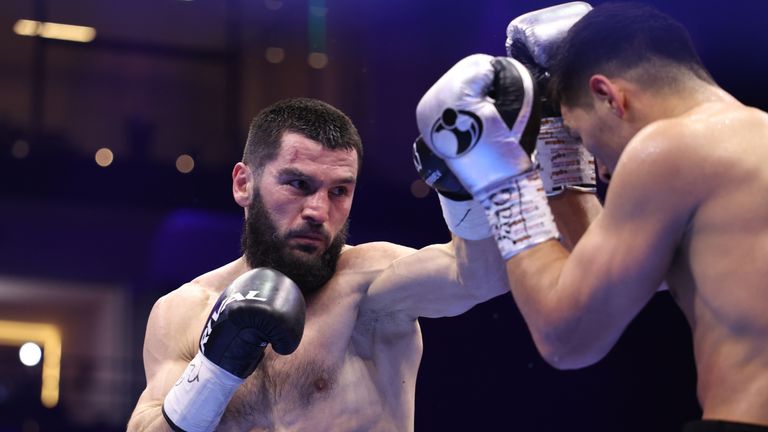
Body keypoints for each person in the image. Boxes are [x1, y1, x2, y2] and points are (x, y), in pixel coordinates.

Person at [416, 2, 768, 431]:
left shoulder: (671, 147)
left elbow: (567, 338)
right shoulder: (742, 150)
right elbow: (603, 281)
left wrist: (500, 179)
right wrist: (561, 163)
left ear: (608, 96)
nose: (600, 169)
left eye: (580, 137)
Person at [126, 97, 528, 432]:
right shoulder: (182, 311)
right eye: (298, 184)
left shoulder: (370, 285)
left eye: (339, 190)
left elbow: (481, 275)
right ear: (243, 184)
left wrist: (465, 191)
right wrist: (214, 371)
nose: (319, 210)